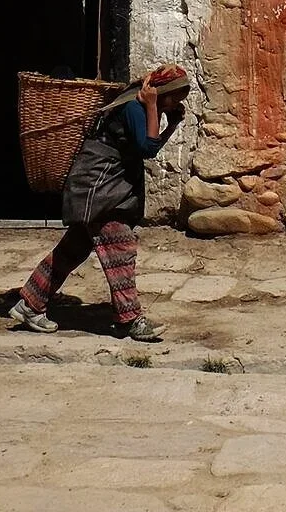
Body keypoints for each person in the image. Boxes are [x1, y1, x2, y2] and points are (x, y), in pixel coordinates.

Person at [10, 62, 191, 342]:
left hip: (99, 189)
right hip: (100, 190)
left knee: (72, 249)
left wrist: (171, 123)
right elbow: (147, 148)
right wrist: (154, 109)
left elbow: (150, 145)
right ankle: (130, 320)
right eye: (173, 98)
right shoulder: (134, 107)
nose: (175, 104)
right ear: (160, 93)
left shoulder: (141, 107)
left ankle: (30, 304)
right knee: (120, 247)